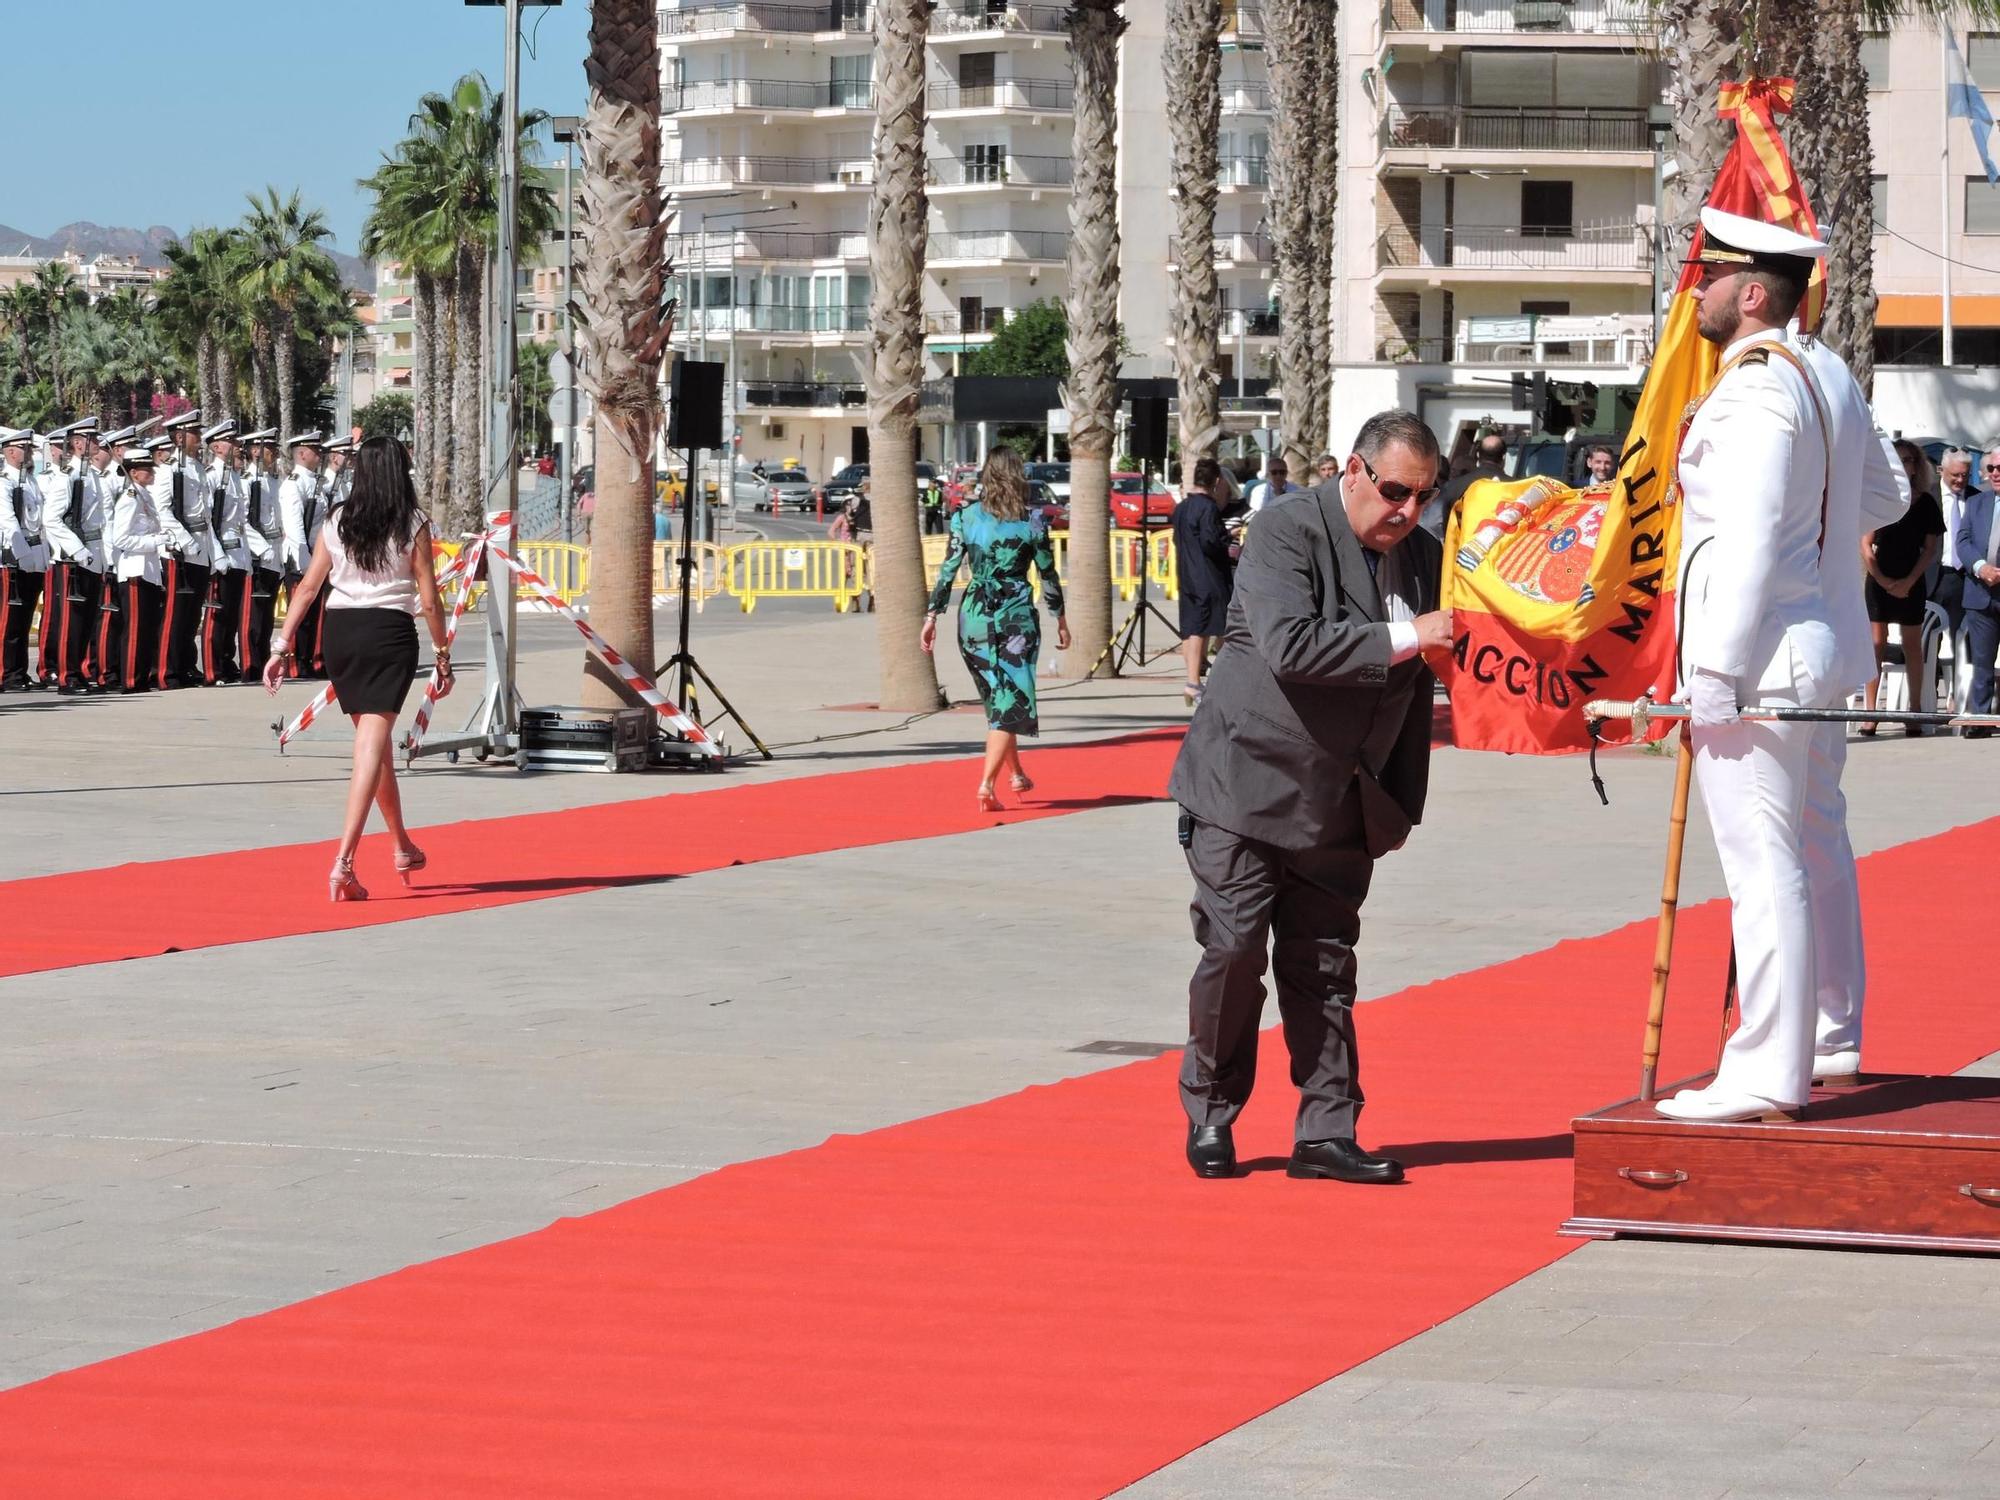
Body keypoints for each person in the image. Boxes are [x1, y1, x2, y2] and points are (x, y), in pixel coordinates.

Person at [1659, 206, 1908, 1124]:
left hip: (1760, 660)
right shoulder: (1825, 372)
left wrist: (1713, 671)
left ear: (1752, 293)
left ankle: (1768, 1066)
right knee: (1816, 847)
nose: (1697, 288)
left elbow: (1756, 535)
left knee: (1765, 865)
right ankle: (1832, 1033)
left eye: (1710, 276)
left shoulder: (1760, 387)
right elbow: (1886, 492)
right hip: (1812, 650)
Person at [1170, 409, 1451, 1183]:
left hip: (1344, 796)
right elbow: (1292, 645)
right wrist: (1411, 638)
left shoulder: (1426, 555)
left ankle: (1326, 1131)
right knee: (1231, 953)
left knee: (1324, 964)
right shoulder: (1286, 530)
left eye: (1424, 495)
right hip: (1245, 784)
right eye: (1395, 490)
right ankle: (1212, 1112)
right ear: (1352, 472)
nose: (1407, 510)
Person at [263, 436, 454, 902]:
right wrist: (442, 651)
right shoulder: (412, 522)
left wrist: (281, 644)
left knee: (376, 746)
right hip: (389, 633)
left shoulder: (336, 518)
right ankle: (343, 861)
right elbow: (428, 597)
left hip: (341, 632)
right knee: (370, 744)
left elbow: (308, 587)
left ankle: (401, 845)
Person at [920, 446, 1070, 812]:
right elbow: (1048, 574)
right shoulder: (1032, 521)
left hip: (972, 617)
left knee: (1000, 700)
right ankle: (986, 784)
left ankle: (1016, 773)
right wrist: (1060, 618)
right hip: (1014, 617)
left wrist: (931, 616)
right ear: (1018, 476)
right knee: (1009, 701)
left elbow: (948, 568)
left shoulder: (964, 517)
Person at [1858, 439, 1943, 734]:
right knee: (1875, 645)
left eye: (1908, 460)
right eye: (1898, 459)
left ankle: (1915, 709)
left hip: (1911, 581)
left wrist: (1908, 581)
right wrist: (1882, 579)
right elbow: (1866, 545)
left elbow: (1930, 550)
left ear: (1916, 465)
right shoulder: (1877, 498)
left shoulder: (1927, 503)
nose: (1903, 464)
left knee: (1912, 646)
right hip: (1879, 579)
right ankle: (1870, 712)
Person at [39, 419, 107, 695]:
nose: (98, 444)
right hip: (73, 558)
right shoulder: (67, 477)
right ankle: (67, 676)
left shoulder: (89, 474)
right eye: (92, 439)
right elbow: (51, 519)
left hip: (92, 552)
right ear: (78, 443)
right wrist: (77, 550)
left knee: (87, 617)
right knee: (72, 619)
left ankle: (78, 672)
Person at [108, 445, 171, 692]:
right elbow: (120, 538)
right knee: (134, 628)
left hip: (148, 570)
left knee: (146, 627)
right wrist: (156, 541)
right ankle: (131, 679)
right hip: (134, 568)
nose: (152, 473)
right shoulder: (129, 499)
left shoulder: (145, 496)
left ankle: (142, 676)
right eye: (146, 469)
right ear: (133, 473)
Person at [1172, 457, 1235, 708]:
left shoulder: (1182, 508)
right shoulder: (1207, 508)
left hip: (1186, 573)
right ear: (1217, 481)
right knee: (1202, 626)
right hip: (1206, 575)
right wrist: (1227, 539)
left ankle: (1192, 679)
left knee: (1190, 627)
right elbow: (1211, 542)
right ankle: (1193, 681)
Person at [0, 426, 50, 690]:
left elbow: (38, 522)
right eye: (23, 448)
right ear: (9, 451)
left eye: (29, 447)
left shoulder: (30, 480)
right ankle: (6, 673)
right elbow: (9, 523)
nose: (28, 452)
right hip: (14, 559)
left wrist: (41, 556)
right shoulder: (4, 481)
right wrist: (23, 555)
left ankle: (18, 672)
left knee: (23, 618)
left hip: (34, 556)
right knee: (9, 620)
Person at [202, 421, 250, 685]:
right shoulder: (211, 476)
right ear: (217, 447)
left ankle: (226, 661)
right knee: (217, 613)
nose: (238, 446)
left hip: (238, 551)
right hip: (222, 551)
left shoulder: (233, 476)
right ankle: (213, 668)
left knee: (231, 613)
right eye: (232, 442)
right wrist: (217, 553)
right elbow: (209, 520)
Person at [279, 432, 328, 678]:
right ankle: (296, 664)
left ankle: (310, 659)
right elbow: (295, 527)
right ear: (301, 453)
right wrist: (306, 561)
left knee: (316, 613)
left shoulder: (316, 482)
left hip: (317, 553)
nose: (319, 454)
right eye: (314, 450)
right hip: (302, 556)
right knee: (301, 613)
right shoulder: (294, 483)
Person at [1421, 430, 1506, 541]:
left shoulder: (1452, 487)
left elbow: (1432, 523)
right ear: (1504, 457)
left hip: (1461, 551)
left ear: (1478, 455)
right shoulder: (1518, 487)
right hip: (1505, 552)